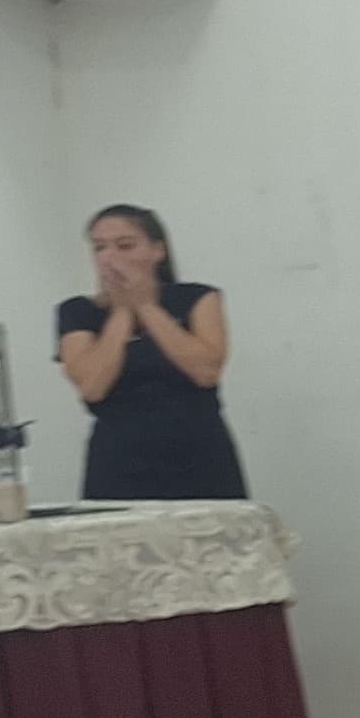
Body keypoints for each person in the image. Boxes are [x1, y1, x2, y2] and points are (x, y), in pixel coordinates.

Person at [54, 206, 248, 500]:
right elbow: (92, 386)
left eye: (125, 246)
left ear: (158, 250)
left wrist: (146, 306)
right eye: (99, 248)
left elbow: (206, 371)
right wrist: (122, 312)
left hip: (199, 451)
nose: (109, 257)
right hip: (119, 456)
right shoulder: (78, 312)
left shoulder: (197, 298)